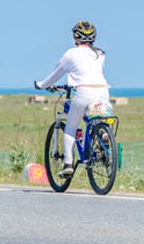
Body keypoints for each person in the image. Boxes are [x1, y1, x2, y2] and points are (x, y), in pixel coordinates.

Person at [34, 21, 110, 177]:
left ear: (76, 37)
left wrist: (41, 85)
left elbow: (56, 74)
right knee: (97, 117)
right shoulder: (101, 54)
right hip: (103, 91)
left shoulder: (71, 54)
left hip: (84, 92)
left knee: (70, 127)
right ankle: (102, 133)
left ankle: (68, 163)